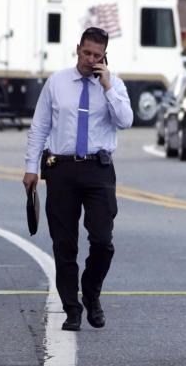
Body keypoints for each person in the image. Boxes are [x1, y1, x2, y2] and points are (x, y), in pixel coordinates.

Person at [22, 26, 133, 331]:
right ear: (77, 49)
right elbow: (39, 126)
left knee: (102, 241)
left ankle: (92, 291)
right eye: (86, 53)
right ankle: (72, 308)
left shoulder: (114, 85)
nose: (90, 59)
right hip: (62, 170)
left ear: (105, 56)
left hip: (98, 170)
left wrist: (108, 86)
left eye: (97, 55)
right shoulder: (57, 82)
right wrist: (31, 168)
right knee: (64, 244)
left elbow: (125, 121)